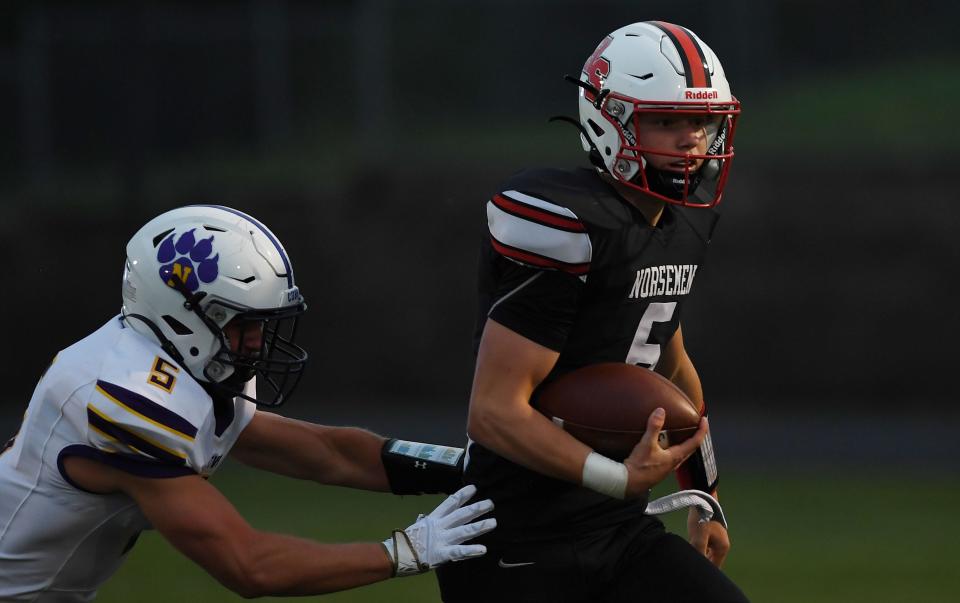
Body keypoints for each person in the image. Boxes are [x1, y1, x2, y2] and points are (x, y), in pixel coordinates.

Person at [0, 205, 496, 601]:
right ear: (180, 315)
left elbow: (324, 452)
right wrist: (403, 552)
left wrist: (460, 465)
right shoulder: (126, 397)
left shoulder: (175, 360)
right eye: (241, 324)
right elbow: (249, 565)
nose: (257, 343)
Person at [436, 21, 749, 602]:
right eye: (666, 120)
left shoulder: (682, 224)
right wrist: (619, 476)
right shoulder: (566, 224)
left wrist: (706, 493)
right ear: (611, 120)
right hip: (515, 534)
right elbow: (492, 412)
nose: (692, 140)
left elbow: (671, 360)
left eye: (701, 122)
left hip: (614, 525)